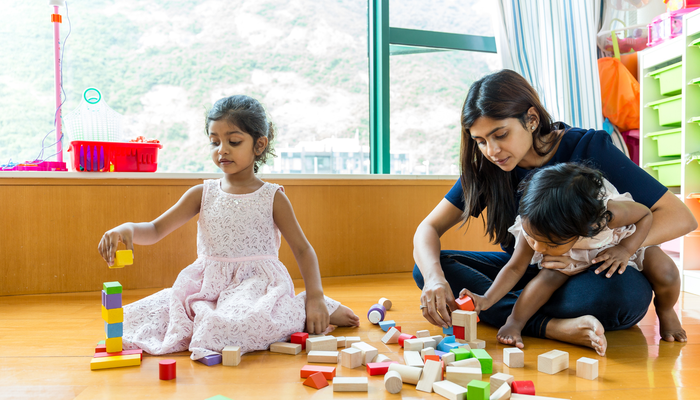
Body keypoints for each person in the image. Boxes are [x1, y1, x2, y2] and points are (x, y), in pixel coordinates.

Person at [413, 69, 695, 356]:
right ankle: (551, 326)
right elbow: (428, 229)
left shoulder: (587, 148)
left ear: (532, 119)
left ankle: (517, 315)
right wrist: (436, 279)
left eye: (500, 134)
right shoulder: (487, 167)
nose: (492, 150)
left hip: (588, 269)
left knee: (622, 295)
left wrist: (605, 249)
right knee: (433, 269)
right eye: (480, 141)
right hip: (527, 270)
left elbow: (680, 217)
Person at [98, 95, 359, 360]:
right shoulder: (202, 193)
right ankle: (287, 311)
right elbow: (155, 230)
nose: (222, 149)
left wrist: (315, 295)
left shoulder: (272, 196)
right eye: (214, 141)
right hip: (206, 286)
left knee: (235, 324)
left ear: (259, 145)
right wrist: (127, 228)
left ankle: (305, 306)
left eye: (233, 141)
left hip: (256, 286)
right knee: (140, 317)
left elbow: (303, 249)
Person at [458, 163, 685, 355]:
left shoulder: (609, 215)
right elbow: (515, 268)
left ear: (584, 228)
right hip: (569, 259)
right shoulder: (534, 224)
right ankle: (515, 321)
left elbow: (645, 214)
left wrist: (626, 249)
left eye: (549, 243)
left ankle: (666, 309)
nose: (537, 247)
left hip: (619, 245)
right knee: (546, 279)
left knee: (666, 271)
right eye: (534, 239)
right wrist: (486, 299)